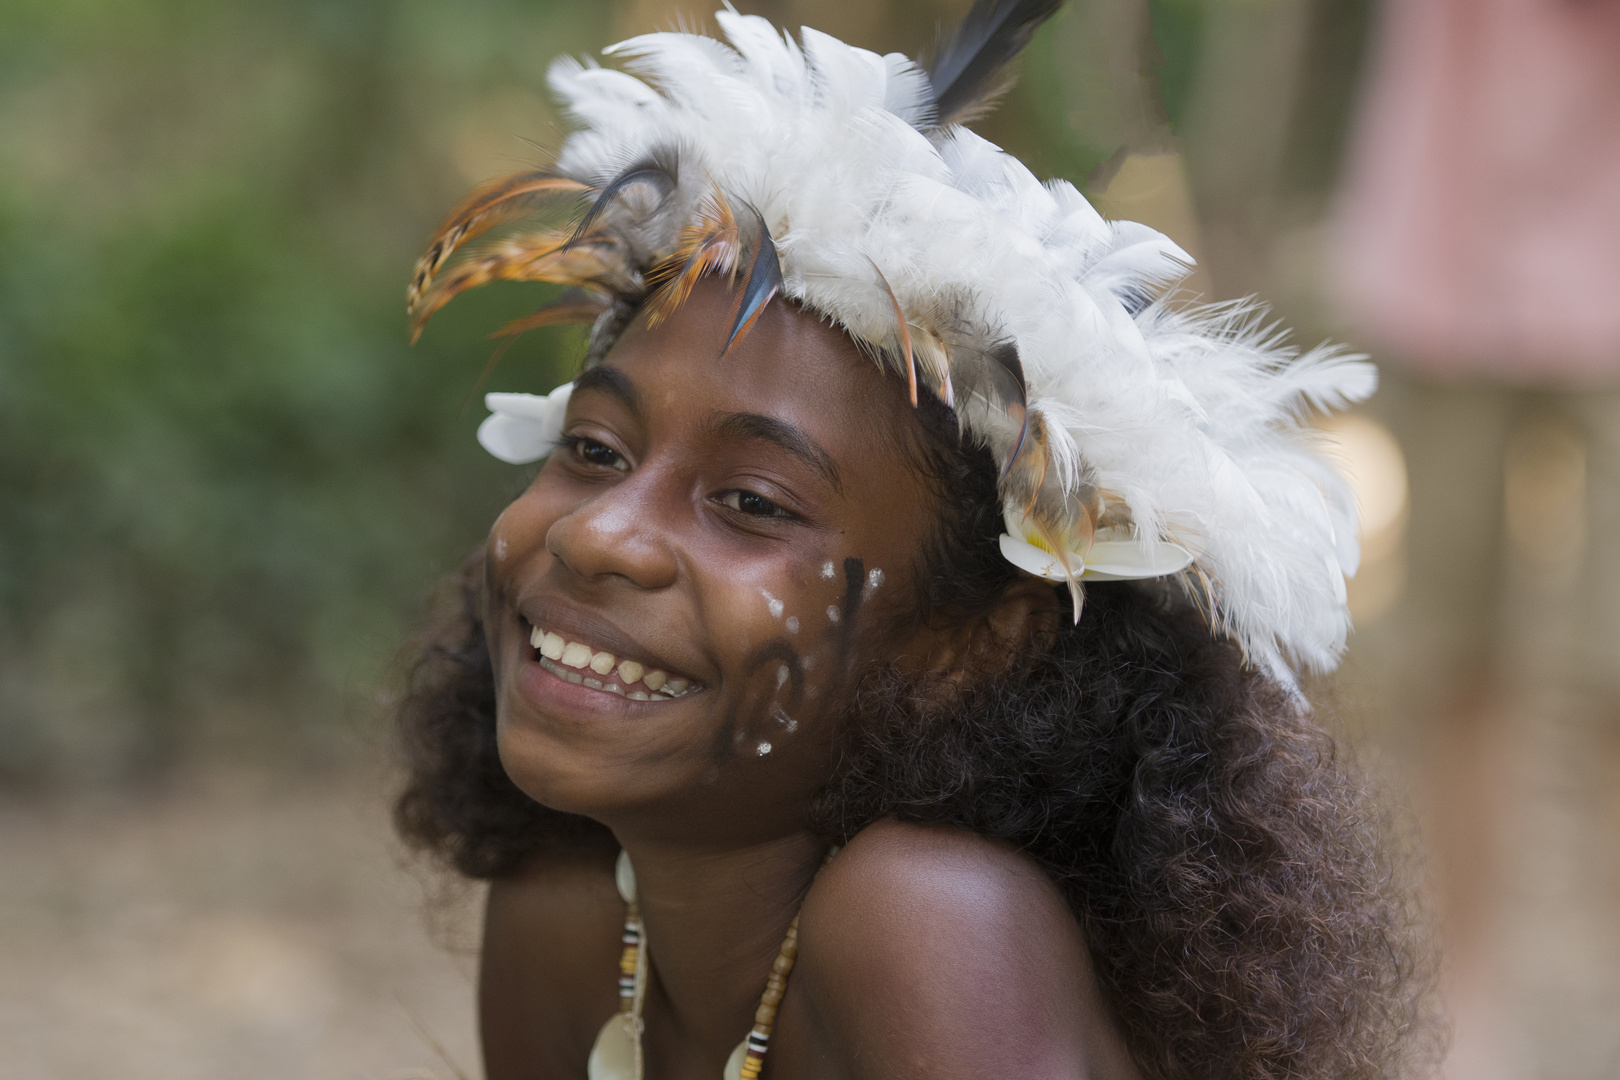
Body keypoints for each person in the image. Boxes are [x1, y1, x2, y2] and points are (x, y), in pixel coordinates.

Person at [394, 3, 1432, 1078]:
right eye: (597, 449)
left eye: (751, 502)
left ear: (975, 643)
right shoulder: (565, 921)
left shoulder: (926, 926)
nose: (599, 533)